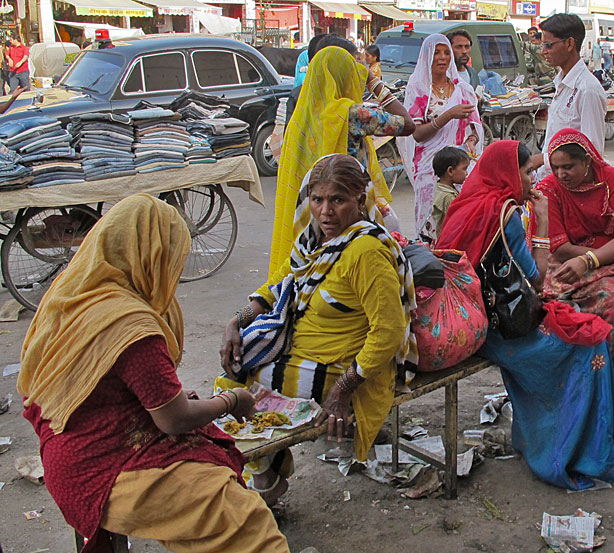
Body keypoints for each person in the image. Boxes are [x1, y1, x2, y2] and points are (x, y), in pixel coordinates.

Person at [18, 195, 289, 553]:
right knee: (244, 520)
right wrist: (230, 401)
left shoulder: (74, 293)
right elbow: (174, 419)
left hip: (68, 447)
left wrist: (166, 398)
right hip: (101, 467)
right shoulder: (129, 325)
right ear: (150, 255)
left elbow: (99, 386)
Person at [220, 154, 417, 498]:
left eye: (338, 200)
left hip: (345, 369)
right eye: (317, 199)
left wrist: (343, 390)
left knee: (234, 390)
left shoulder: (366, 252)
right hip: (301, 352)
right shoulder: (313, 241)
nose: (326, 211)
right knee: (234, 370)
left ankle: (265, 479)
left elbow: (388, 332)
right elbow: (277, 285)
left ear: (359, 200)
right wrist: (236, 321)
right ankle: (266, 473)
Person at [437, 140, 614, 490]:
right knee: (590, 344)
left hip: (467, 320)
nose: (531, 180)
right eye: (526, 172)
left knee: (575, 325)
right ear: (508, 173)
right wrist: (544, 220)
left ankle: (539, 439)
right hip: (499, 330)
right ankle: (570, 453)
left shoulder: (465, 204)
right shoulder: (505, 215)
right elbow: (536, 277)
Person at [269, 44, 415, 275]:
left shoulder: (300, 118)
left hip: (311, 215)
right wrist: (373, 82)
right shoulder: (352, 114)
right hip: (348, 212)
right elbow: (407, 124)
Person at [539, 129, 614, 436]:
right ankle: (563, 399)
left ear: (587, 161)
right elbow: (560, 247)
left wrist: (591, 260)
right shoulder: (549, 188)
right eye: (556, 167)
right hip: (565, 263)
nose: (561, 174)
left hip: (603, 262)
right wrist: (593, 256)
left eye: (568, 167)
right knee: (547, 317)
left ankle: (613, 401)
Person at [398, 33, 482, 239]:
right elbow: (417, 134)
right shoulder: (418, 89)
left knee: (459, 222)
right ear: (427, 57)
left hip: (459, 165)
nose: (442, 58)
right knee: (432, 224)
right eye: (436, 53)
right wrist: (447, 115)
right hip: (429, 167)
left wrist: (471, 141)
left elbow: (475, 127)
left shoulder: (462, 90)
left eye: (446, 52)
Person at [536, 14, 607, 177]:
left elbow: (592, 153)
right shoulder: (561, 83)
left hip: (568, 183)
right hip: (550, 179)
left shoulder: (587, 89)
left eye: (548, 45)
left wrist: (542, 160)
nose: (544, 51)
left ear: (569, 44)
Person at [431, 145, 470, 236]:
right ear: (450, 171)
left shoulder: (441, 189)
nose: (467, 173)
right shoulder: (448, 197)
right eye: (464, 169)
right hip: (450, 240)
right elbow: (460, 221)